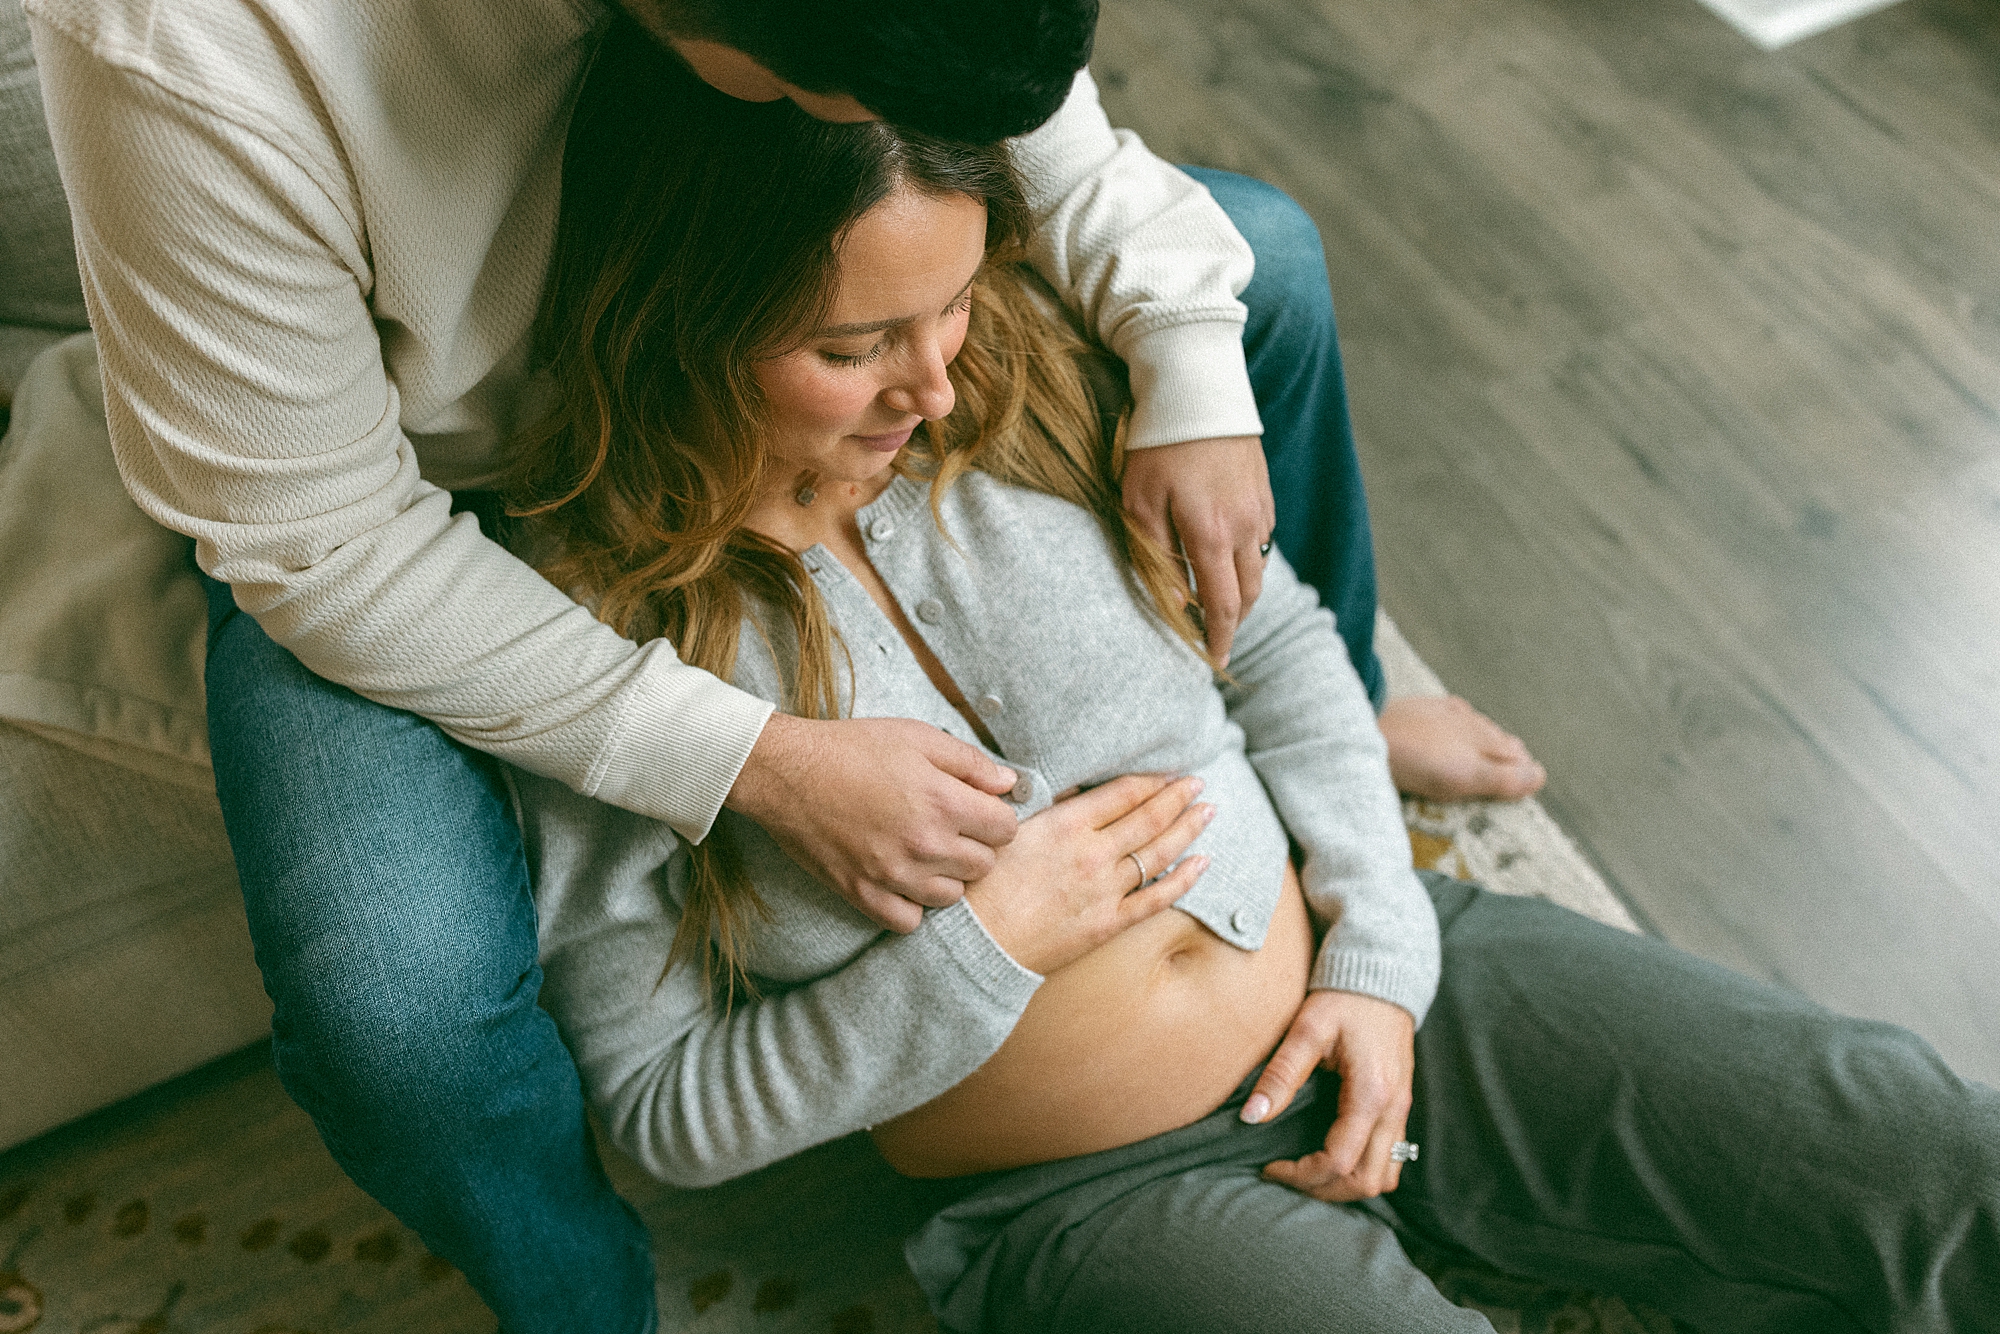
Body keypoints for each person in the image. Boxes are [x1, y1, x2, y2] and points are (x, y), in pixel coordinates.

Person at [24, 0, 1533, 1326]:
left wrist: (1194, 376)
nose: (937, 386)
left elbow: (990, 115)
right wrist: (748, 754)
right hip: (417, 488)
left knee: (1253, 266)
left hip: (742, 314)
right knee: (393, 1003)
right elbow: (322, 542)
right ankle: (585, 1304)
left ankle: (1333, 707)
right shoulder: (179, 43)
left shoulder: (844, 53)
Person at [511, 35, 2000, 1334]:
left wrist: (1383, 958)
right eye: (855, 347)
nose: (939, 384)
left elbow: (1281, 647)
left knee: (1923, 1152)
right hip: (1085, 1199)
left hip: (1414, 1000)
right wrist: (986, 949)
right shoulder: (598, 647)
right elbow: (667, 1110)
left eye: (954, 304)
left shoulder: (1034, 396)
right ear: (686, 316)